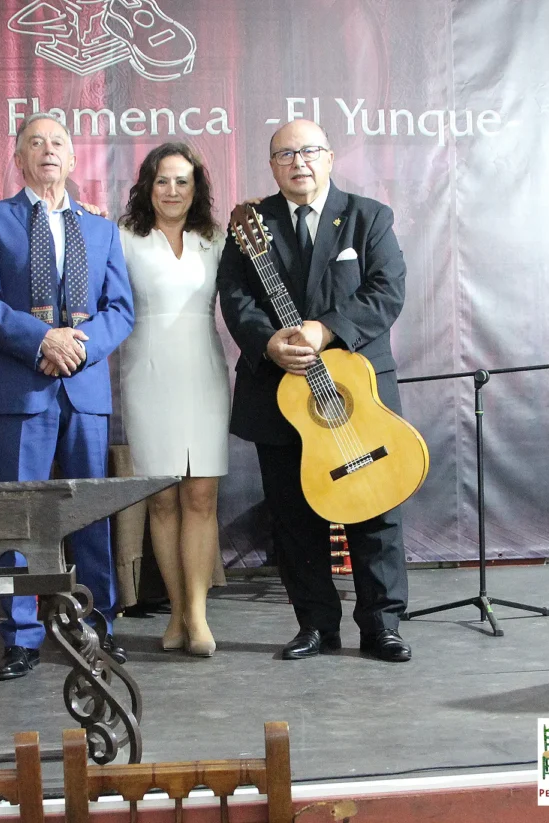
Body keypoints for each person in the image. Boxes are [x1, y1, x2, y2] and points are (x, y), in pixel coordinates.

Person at [216, 119, 413, 663]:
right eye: (285, 154)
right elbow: (234, 295)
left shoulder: (369, 218)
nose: (298, 162)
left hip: (359, 395)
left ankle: (382, 625)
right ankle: (316, 627)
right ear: (272, 165)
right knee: (294, 517)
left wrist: (324, 330)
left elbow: (386, 291)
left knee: (375, 511)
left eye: (309, 151)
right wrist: (269, 341)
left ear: (328, 157)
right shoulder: (251, 224)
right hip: (278, 395)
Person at [0, 113, 135, 680]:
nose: (48, 150)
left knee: (90, 516)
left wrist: (77, 349)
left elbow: (120, 311)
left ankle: (97, 625)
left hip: (84, 392)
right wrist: (42, 340)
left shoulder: (101, 229)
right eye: (35, 142)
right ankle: (21, 635)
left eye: (58, 142)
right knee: (19, 520)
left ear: (74, 157)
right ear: (17, 157)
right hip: (21, 390)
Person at [118, 143, 229, 658]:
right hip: (147, 376)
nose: (172, 191)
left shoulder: (217, 240)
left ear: (197, 188)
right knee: (162, 499)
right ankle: (178, 613)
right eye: (163, 181)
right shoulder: (123, 239)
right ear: (148, 185)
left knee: (201, 496)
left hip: (204, 375)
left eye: (183, 181)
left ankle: (199, 617)